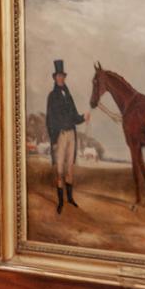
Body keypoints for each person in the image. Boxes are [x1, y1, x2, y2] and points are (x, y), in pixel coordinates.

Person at [45, 59, 86, 213]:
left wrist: (83, 117)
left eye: (62, 76)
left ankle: (70, 198)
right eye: (58, 76)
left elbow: (75, 116)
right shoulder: (52, 96)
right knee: (59, 170)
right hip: (60, 136)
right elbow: (49, 120)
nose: (61, 78)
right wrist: (53, 140)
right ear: (55, 78)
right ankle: (60, 202)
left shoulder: (69, 96)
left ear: (64, 78)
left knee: (69, 169)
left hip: (71, 135)